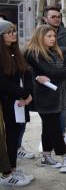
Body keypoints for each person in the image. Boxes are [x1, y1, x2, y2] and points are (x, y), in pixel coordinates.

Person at [25, 24, 66, 173]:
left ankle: (46, 156)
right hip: (42, 97)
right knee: (54, 128)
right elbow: (49, 71)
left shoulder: (54, 51)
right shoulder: (33, 53)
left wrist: (63, 71)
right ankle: (65, 157)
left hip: (56, 95)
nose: (53, 39)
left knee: (48, 127)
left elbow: (61, 70)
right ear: (40, 37)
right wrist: (65, 71)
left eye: (54, 36)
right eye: (49, 36)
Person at [0, 19, 33, 186]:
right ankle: (9, 171)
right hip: (9, 102)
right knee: (11, 137)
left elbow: (26, 73)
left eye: (14, 31)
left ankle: (13, 168)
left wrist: (28, 95)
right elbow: (3, 83)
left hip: (21, 101)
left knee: (18, 134)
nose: (13, 34)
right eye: (9, 32)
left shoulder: (15, 51)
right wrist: (24, 93)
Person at [42, 6, 66, 148]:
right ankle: (47, 137)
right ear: (45, 18)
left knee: (62, 107)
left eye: (58, 16)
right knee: (48, 109)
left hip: (64, 79)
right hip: (46, 79)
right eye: (53, 16)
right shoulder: (39, 33)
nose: (57, 19)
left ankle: (63, 134)